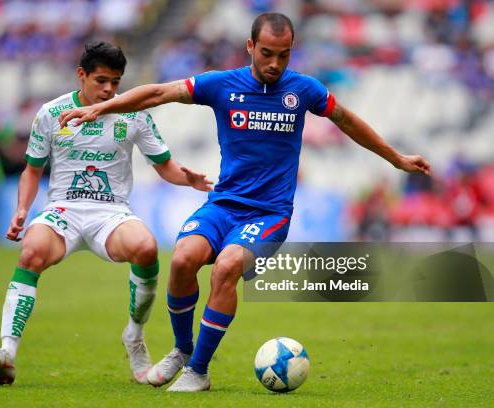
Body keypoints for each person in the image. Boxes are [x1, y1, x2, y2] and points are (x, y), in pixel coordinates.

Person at [59, 13, 431, 392]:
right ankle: (183, 351)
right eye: (267, 53)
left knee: (227, 266)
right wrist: (99, 108)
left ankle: (198, 372)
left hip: (270, 213)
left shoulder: (303, 91)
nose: (274, 64)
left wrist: (396, 159)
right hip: (224, 204)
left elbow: (347, 120)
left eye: (283, 55)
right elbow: (158, 93)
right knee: (184, 257)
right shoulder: (223, 85)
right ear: (250, 47)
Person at [0, 41, 213, 386]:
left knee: (146, 249)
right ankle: (7, 354)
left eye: (116, 82)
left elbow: (166, 166)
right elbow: (32, 169)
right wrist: (22, 210)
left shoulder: (133, 114)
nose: (109, 89)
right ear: (81, 76)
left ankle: (134, 336)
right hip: (63, 211)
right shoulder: (51, 113)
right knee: (31, 252)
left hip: (111, 213)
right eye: (101, 80)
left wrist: (186, 178)